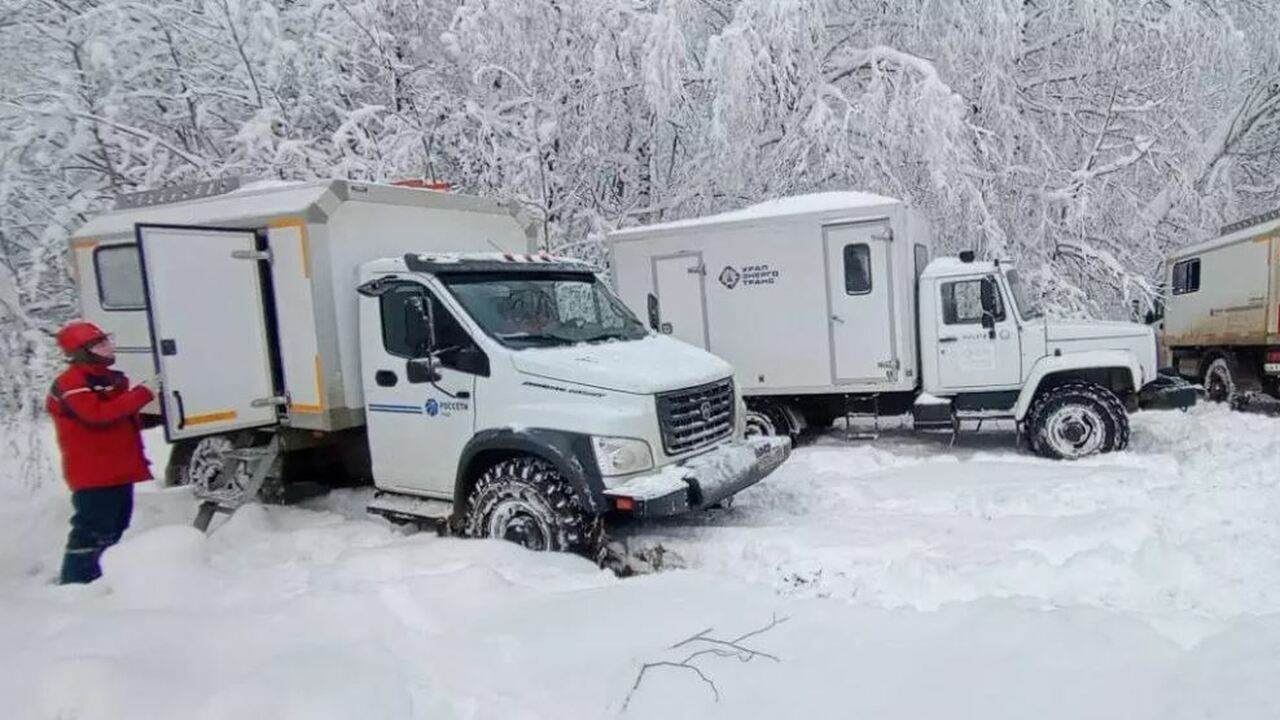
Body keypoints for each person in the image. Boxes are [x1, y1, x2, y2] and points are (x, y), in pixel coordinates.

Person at [46, 321, 158, 584]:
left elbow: (121, 415)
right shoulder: (71, 383)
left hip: (117, 469)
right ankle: (76, 581)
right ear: (81, 351)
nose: (108, 347)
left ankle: (100, 575)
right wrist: (142, 394)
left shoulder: (105, 378)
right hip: (94, 473)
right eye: (100, 344)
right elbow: (98, 415)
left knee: (116, 526)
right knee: (92, 530)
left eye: (107, 340)